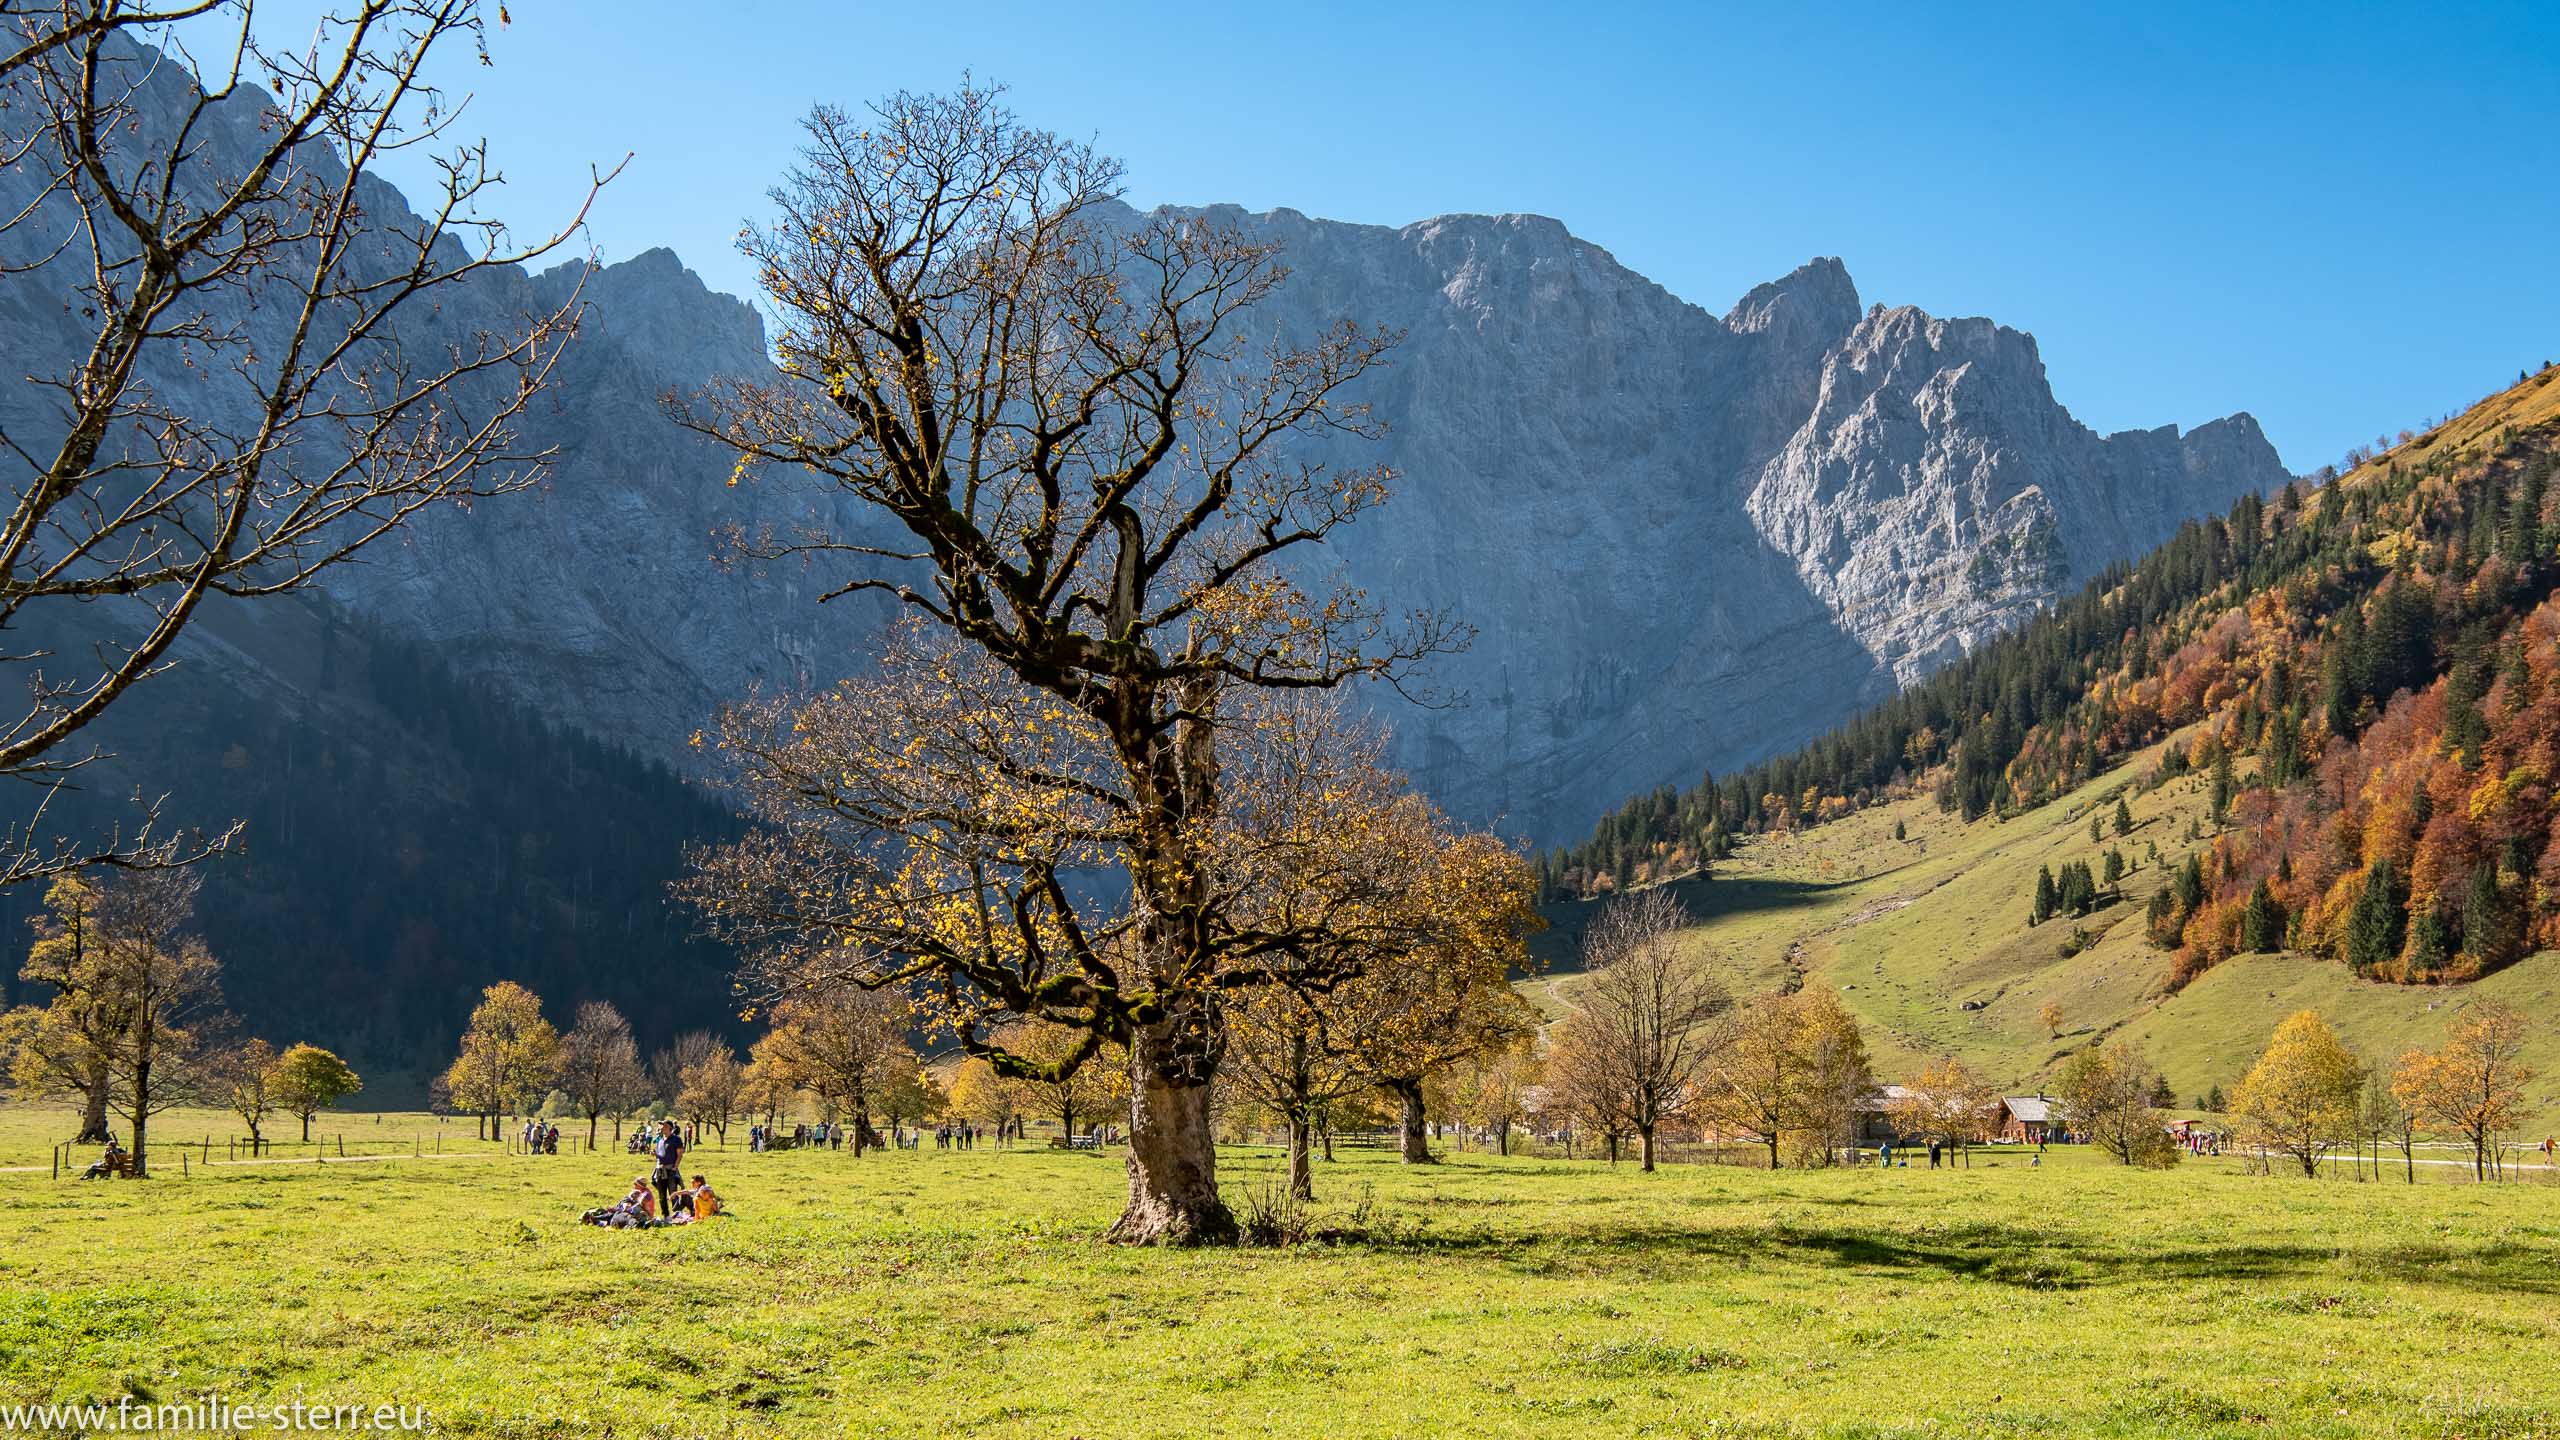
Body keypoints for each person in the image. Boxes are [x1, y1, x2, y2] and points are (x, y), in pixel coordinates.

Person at [649, 1119, 685, 1219]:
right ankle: (666, 1214)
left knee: (673, 1193)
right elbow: (659, 1155)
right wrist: (655, 1155)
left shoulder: (676, 1139)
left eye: (663, 1126)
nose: (661, 1128)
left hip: (671, 1169)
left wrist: (675, 1167)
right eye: (660, 1126)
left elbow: (680, 1154)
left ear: (669, 1127)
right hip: (660, 1169)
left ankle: (677, 1213)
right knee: (661, 1194)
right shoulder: (660, 1140)